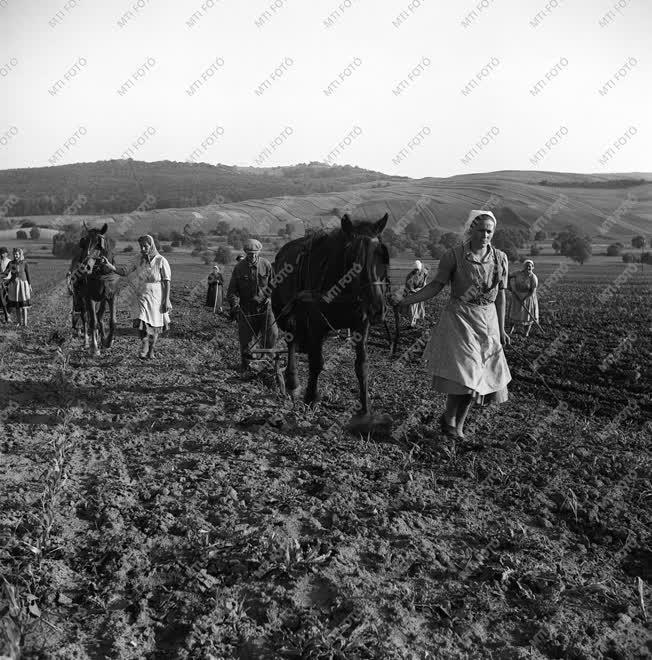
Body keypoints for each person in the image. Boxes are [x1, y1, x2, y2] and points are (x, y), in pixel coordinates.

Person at [395, 210, 511, 439]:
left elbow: (501, 296)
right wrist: (405, 301)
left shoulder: (499, 258)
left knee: (480, 380)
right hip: (460, 319)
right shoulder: (453, 256)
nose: (485, 235)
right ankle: (449, 420)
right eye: (481, 230)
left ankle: (458, 425)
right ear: (471, 230)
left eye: (489, 231)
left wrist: (503, 328)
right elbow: (436, 286)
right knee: (465, 376)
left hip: (488, 322)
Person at [102, 235, 171, 359]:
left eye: (146, 246)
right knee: (141, 321)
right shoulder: (137, 259)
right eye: (141, 246)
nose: (143, 249)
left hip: (156, 296)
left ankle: (151, 350)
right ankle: (144, 344)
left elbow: (166, 281)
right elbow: (124, 271)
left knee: (155, 325)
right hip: (139, 295)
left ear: (151, 246)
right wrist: (111, 266)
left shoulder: (161, 260)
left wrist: (166, 300)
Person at [226, 238, 278, 372]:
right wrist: (235, 307)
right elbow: (231, 292)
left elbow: (274, 285)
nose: (252, 256)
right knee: (246, 343)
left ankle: (268, 367)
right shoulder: (239, 268)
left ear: (259, 252)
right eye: (249, 253)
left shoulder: (266, 264)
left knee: (271, 337)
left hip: (265, 309)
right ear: (245, 253)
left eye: (255, 253)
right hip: (246, 310)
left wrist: (268, 297)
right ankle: (247, 369)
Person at [508, 259, 539, 338]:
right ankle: (510, 330)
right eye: (526, 266)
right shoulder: (517, 273)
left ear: (532, 267)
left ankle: (526, 333)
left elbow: (532, 291)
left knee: (527, 316)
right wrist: (510, 286)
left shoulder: (533, 278)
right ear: (524, 267)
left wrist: (524, 299)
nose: (528, 267)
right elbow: (509, 276)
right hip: (516, 296)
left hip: (528, 298)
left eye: (530, 266)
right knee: (514, 314)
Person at [3, 248, 32, 326]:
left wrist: (29, 285)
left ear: (20, 254)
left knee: (24, 305)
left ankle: (25, 323)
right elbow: (5, 273)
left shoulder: (24, 263)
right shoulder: (11, 263)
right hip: (14, 285)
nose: (15, 255)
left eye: (17, 254)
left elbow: (28, 274)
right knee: (17, 305)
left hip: (23, 284)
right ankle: (19, 322)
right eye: (14, 254)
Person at [404, 260, 428, 327]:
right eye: (415, 269)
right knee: (412, 306)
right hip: (412, 292)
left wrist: (422, 289)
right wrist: (414, 291)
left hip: (420, 291)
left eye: (417, 269)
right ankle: (412, 322)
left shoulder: (424, 274)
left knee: (419, 306)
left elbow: (424, 284)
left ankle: (415, 321)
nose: (416, 271)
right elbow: (409, 286)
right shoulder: (410, 276)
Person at [0, 247, 10, 323]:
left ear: (6, 253)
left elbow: (7, 274)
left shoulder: (9, 262)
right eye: (1, 253)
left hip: (8, 280)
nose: (2, 254)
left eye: (4, 253)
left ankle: (7, 314)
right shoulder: (0, 262)